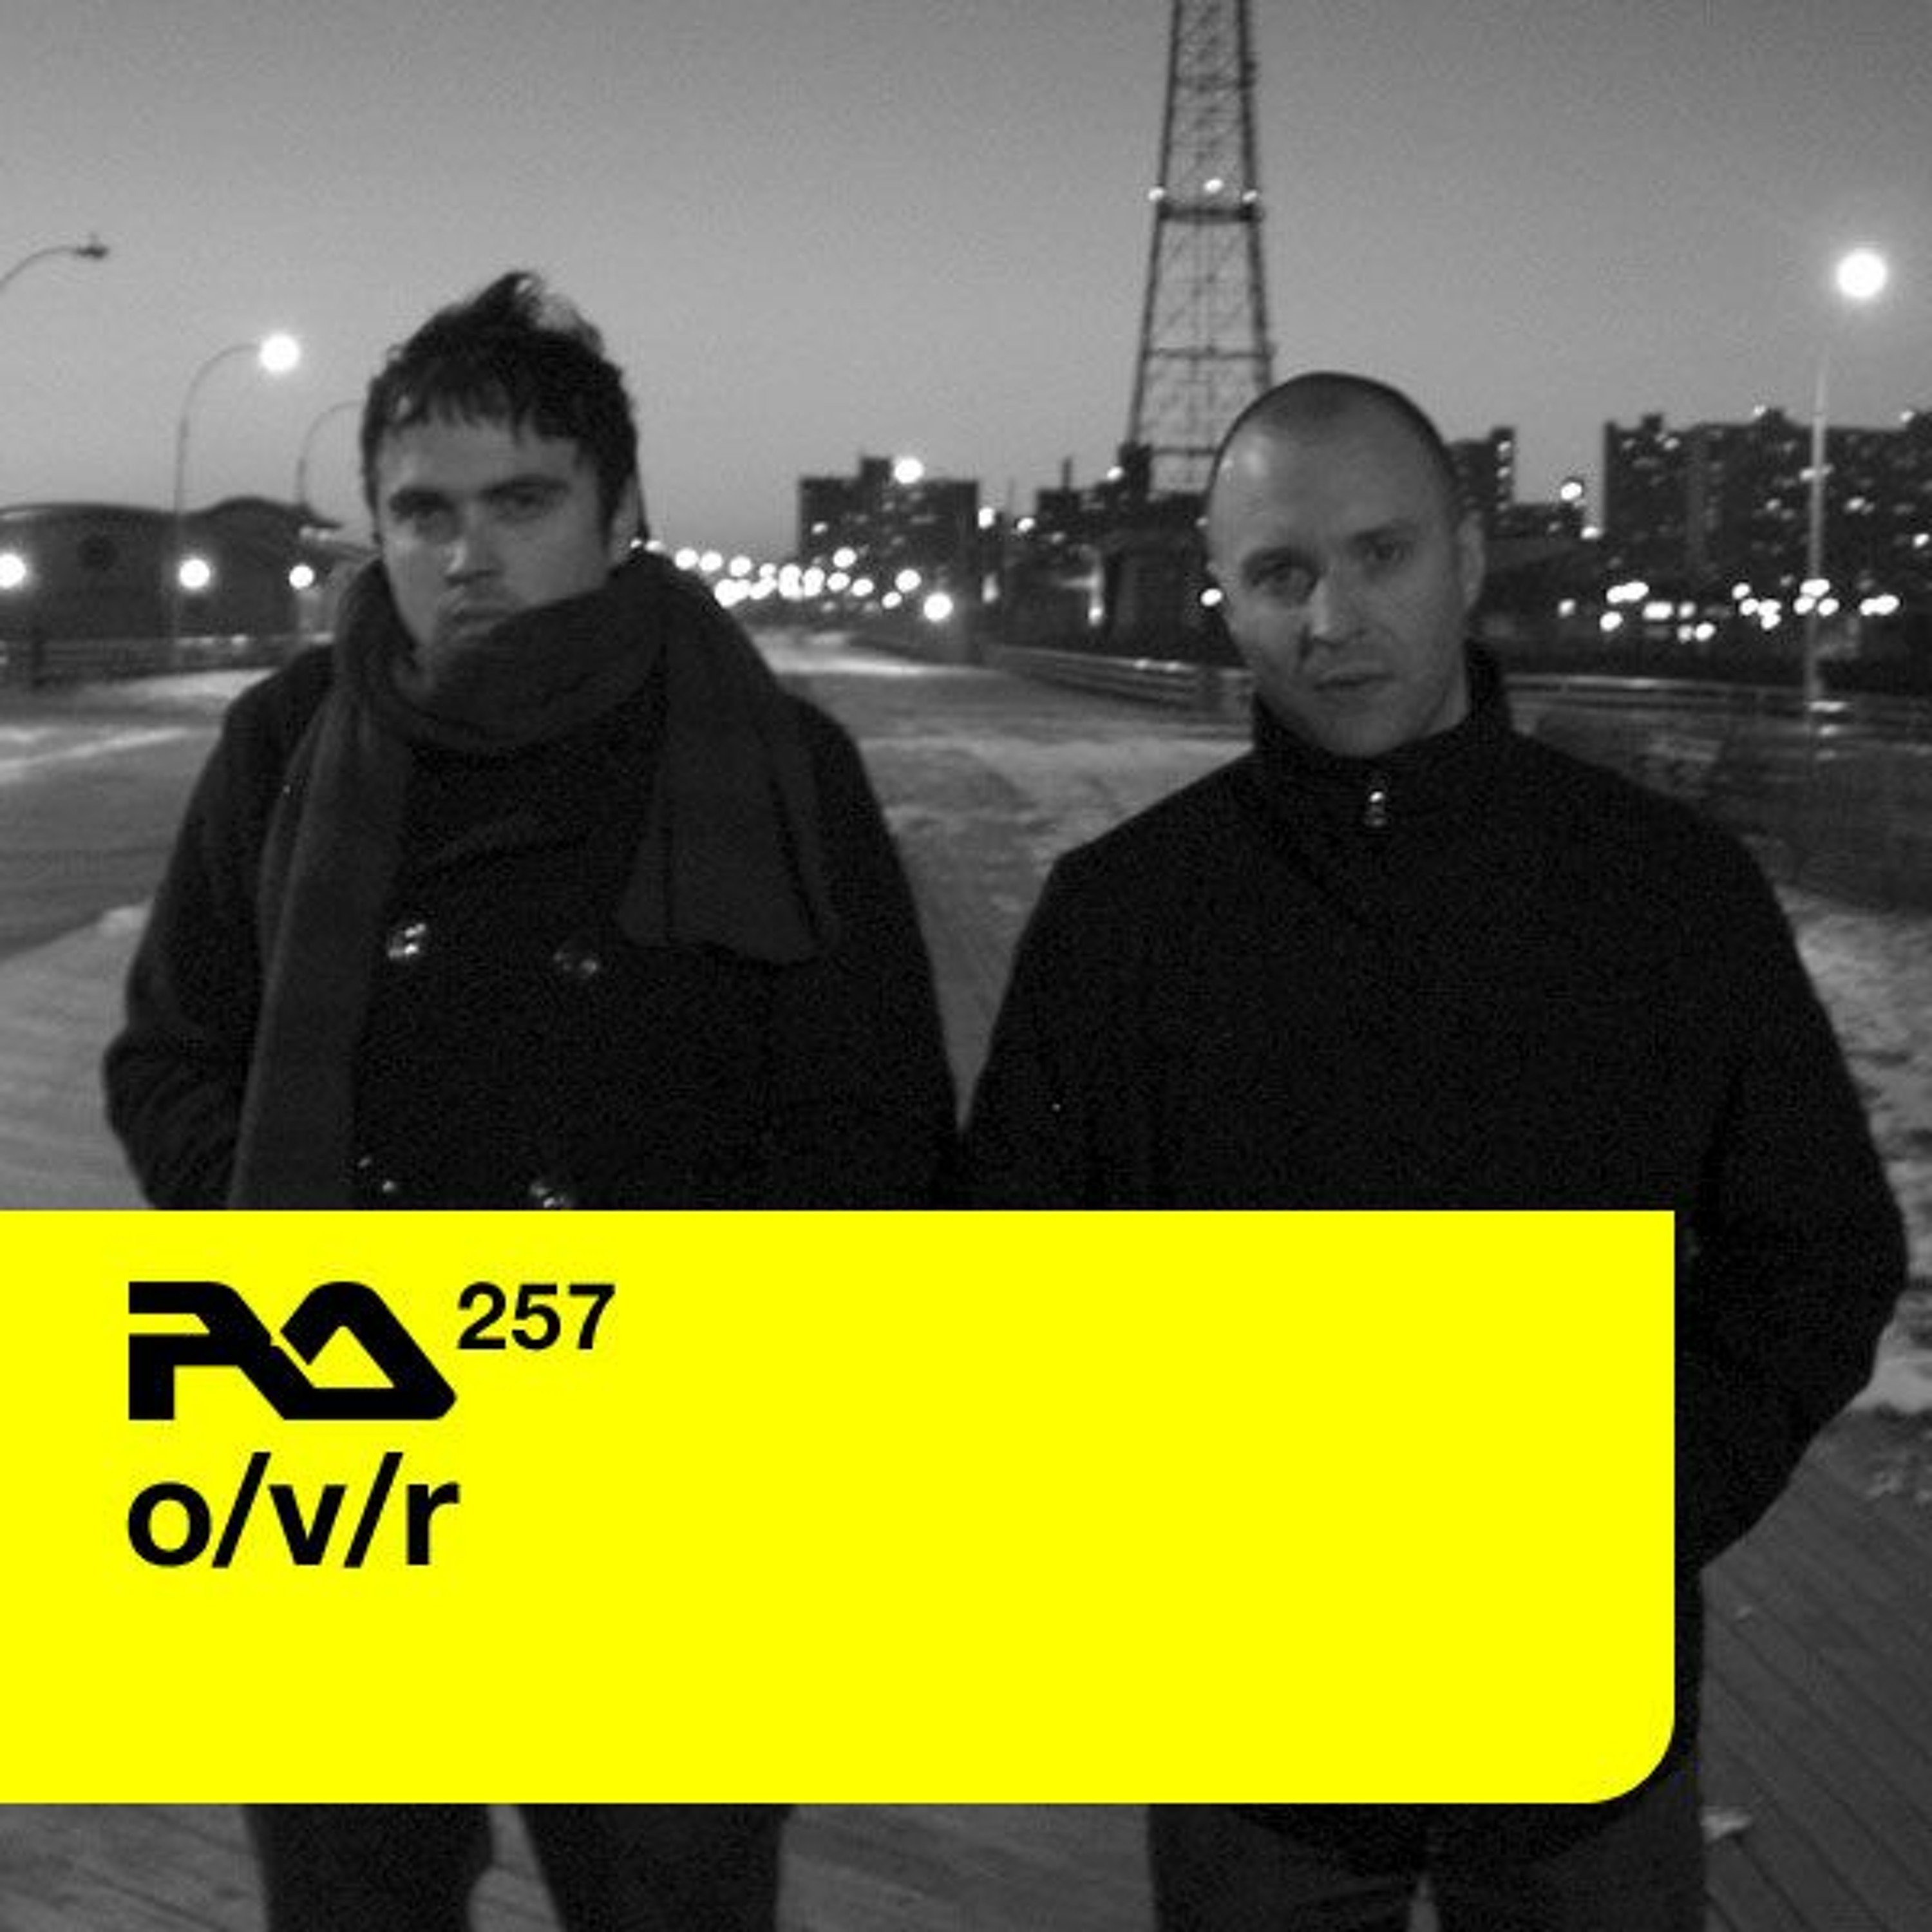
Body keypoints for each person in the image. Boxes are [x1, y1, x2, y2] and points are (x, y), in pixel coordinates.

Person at [958, 372, 1906, 1929]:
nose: (1333, 618)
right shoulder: (1126, 921)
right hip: (1256, 1737)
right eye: (1280, 573)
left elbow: (1818, 1251)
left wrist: (1640, 1510)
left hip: (1574, 1729)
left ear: (1467, 561)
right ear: (1226, 599)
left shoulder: (1663, 895)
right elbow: (1010, 1290)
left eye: (1380, 554)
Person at [105, 272, 956, 1929]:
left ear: (619, 511)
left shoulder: (771, 757)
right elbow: (170, 1056)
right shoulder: (289, 742)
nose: (466, 553)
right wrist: (301, 1265)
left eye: (521, 502)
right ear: (376, 524)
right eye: (422, 511)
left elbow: (870, 1130)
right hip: (345, 1460)